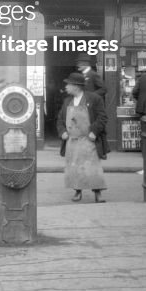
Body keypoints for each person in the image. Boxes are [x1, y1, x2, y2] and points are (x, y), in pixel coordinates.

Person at [57, 72, 108, 203]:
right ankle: (77, 191)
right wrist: (62, 131)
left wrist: (94, 132)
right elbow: (60, 120)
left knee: (92, 167)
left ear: (76, 86)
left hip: (88, 139)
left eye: (68, 84)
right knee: (74, 167)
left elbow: (102, 117)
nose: (66, 87)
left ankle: (98, 192)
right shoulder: (67, 101)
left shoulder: (94, 99)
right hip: (72, 140)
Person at [76, 57, 109, 158]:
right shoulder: (83, 75)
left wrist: (92, 96)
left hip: (93, 106)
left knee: (96, 128)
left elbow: (104, 89)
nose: (78, 66)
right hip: (84, 106)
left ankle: (102, 151)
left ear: (86, 64)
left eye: (80, 64)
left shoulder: (93, 74)